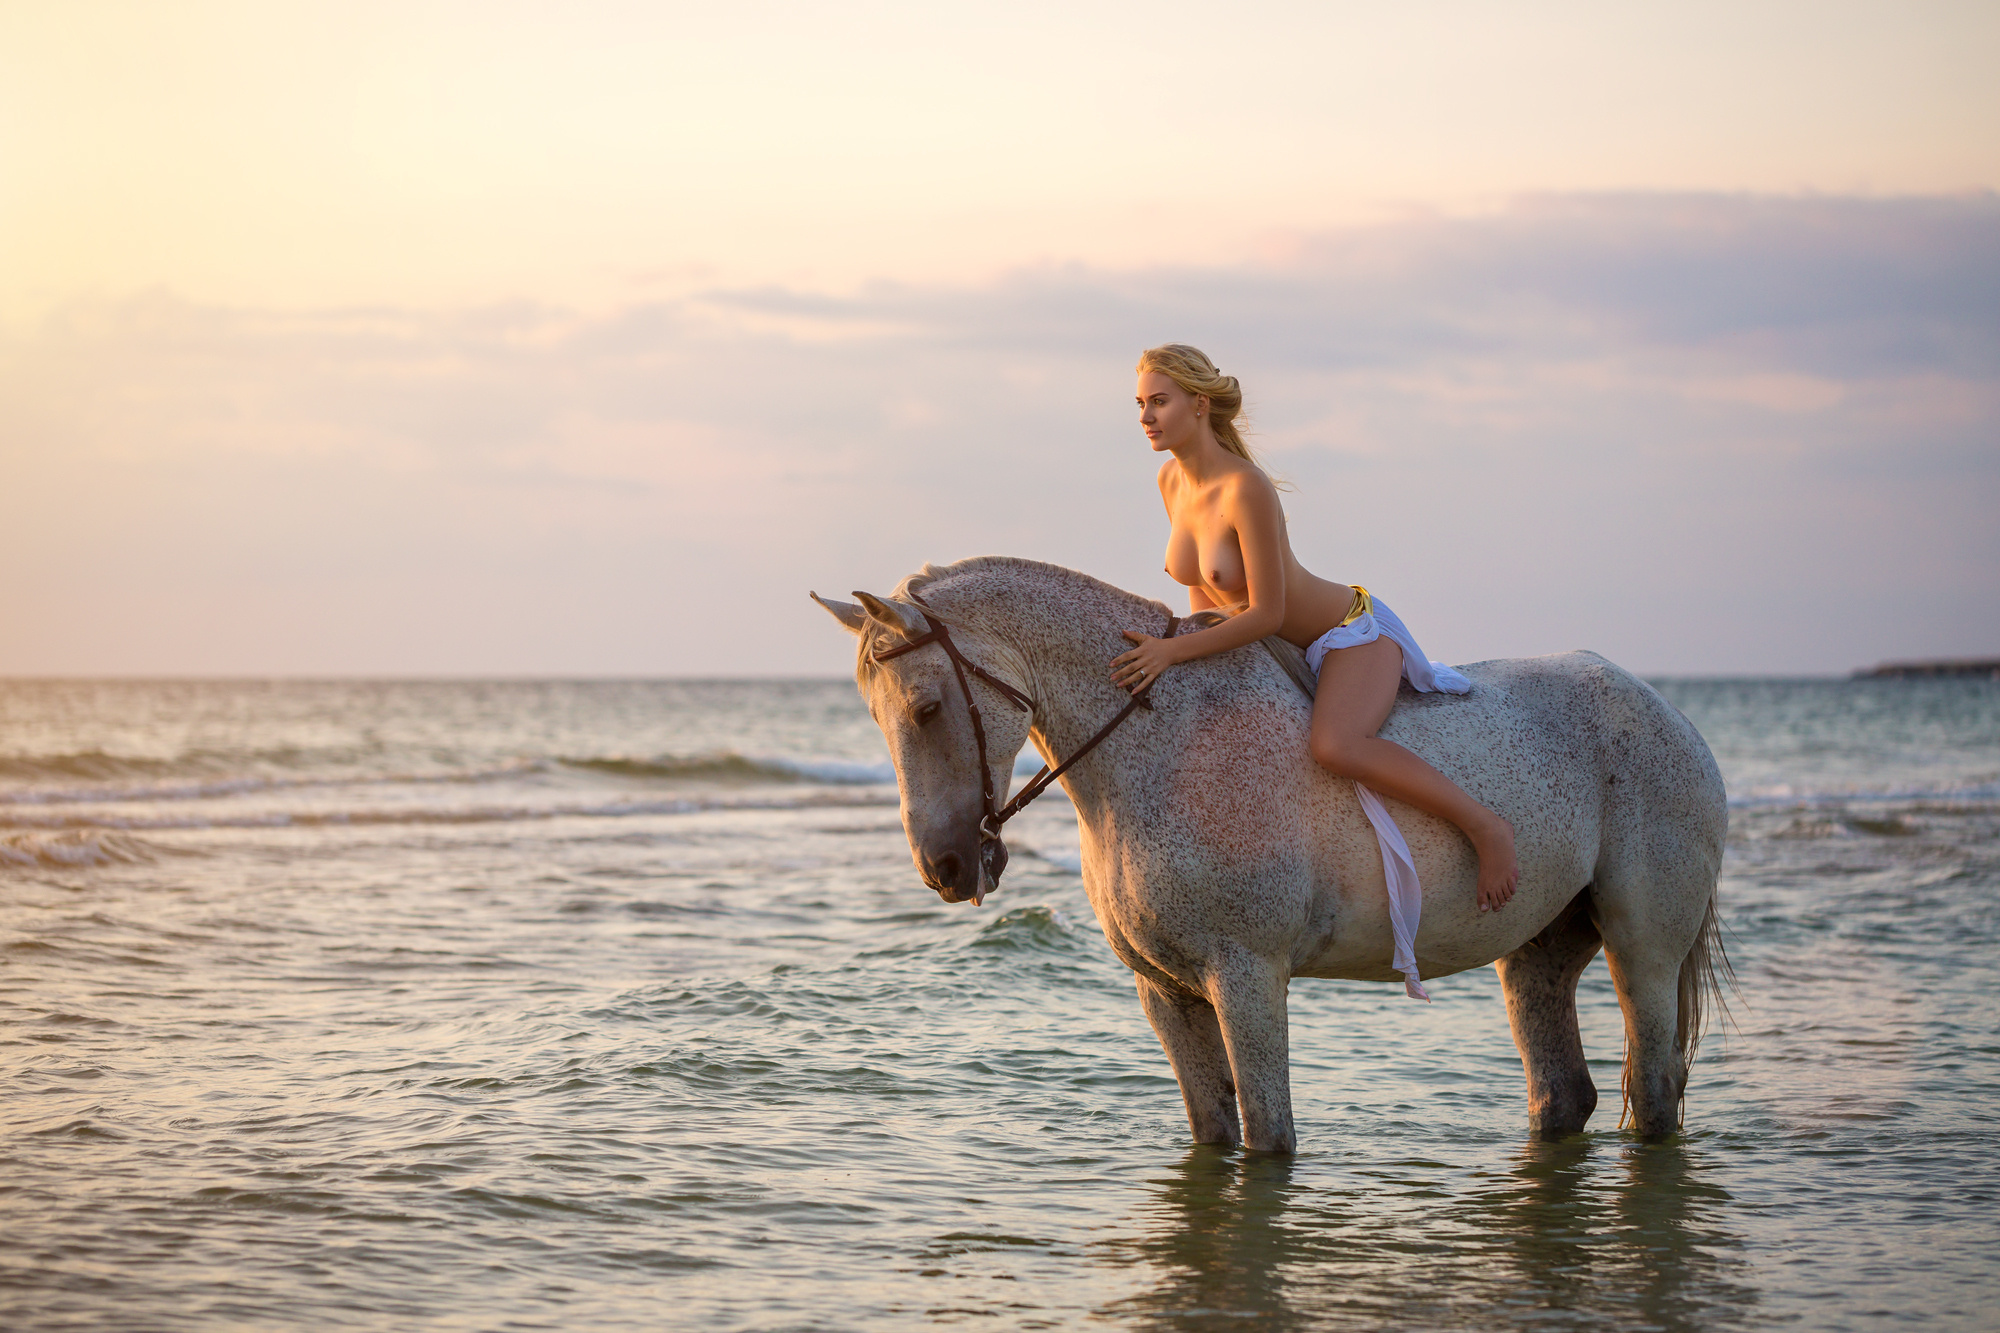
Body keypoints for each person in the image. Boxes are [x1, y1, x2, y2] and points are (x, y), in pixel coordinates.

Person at [1109, 343, 1519, 917]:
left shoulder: (1245, 487)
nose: (1146, 417)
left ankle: (1486, 827)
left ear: (1199, 404)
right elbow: (1207, 598)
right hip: (1273, 647)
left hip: (1352, 633)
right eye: (1140, 404)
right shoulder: (1169, 482)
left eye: (1159, 401)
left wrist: (1171, 652)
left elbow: (1267, 613)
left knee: (1335, 745)